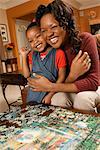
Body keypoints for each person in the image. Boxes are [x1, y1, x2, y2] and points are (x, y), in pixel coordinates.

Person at [27, 0, 100, 112]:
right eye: (43, 31)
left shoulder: (86, 39)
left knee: (82, 99)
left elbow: (93, 82)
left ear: (65, 24)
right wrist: (72, 75)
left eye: (53, 27)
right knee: (57, 99)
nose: (49, 34)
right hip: (67, 88)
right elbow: (56, 79)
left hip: (91, 90)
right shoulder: (53, 50)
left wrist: (50, 87)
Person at [20, 21, 67, 104]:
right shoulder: (32, 55)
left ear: (44, 34)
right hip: (34, 93)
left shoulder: (58, 53)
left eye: (38, 36)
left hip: (50, 90)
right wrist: (24, 56)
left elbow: (61, 78)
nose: (35, 42)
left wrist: (50, 94)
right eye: (31, 41)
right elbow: (26, 75)